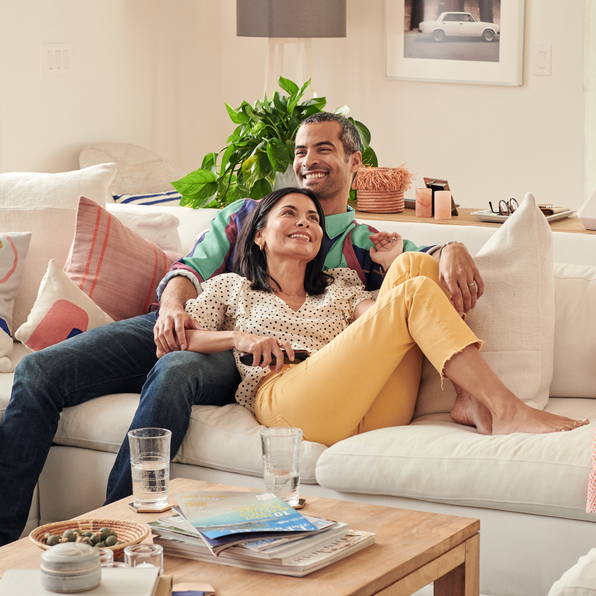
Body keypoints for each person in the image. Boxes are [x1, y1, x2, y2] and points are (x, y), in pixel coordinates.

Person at [0, 112, 479, 546]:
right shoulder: (246, 214)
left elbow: (410, 281)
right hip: (192, 320)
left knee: (176, 370)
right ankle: (4, 535)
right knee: (40, 371)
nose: (309, 161)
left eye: (324, 149)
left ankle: (123, 526)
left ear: (355, 162)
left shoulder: (364, 244)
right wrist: (171, 308)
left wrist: (451, 246)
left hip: (247, 358)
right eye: (301, 151)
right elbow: (187, 269)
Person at [183, 186, 588, 445]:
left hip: (372, 409)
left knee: (414, 267)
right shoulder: (231, 286)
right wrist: (240, 339)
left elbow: (390, 318)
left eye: (313, 219)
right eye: (291, 214)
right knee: (412, 285)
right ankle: (504, 407)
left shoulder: (339, 285)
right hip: (289, 403)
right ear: (259, 234)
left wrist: (395, 261)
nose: (305, 223)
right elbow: (184, 337)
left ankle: (470, 396)